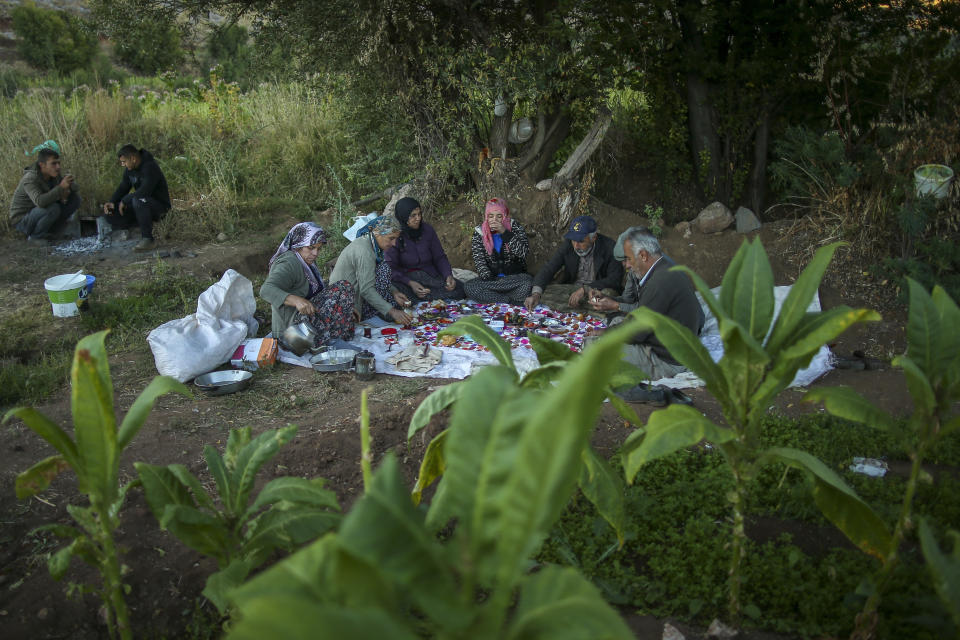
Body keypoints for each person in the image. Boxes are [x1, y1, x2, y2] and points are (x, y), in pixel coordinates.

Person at [589, 227, 704, 403]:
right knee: (618, 321)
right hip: (674, 343)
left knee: (595, 347)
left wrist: (604, 334)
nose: (626, 266)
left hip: (668, 359)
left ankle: (646, 393)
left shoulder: (659, 282)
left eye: (628, 259)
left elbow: (637, 331)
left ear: (643, 255)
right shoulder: (664, 266)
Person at [260, 222, 358, 347]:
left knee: (343, 289)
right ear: (298, 245)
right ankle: (321, 340)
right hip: (292, 331)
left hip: (306, 317)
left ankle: (329, 336)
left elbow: (318, 290)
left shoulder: (305, 261)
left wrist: (345, 306)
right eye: (311, 248)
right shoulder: (288, 263)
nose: (316, 253)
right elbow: (266, 290)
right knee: (342, 287)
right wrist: (296, 300)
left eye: (318, 248)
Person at [524, 214, 623, 311]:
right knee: (543, 294)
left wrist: (586, 289)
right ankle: (587, 311)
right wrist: (536, 294)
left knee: (606, 297)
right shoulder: (568, 244)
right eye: (573, 240)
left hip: (596, 290)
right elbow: (550, 268)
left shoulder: (610, 248)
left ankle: (575, 309)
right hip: (573, 289)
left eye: (581, 241)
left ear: (593, 238)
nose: (576, 246)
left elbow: (615, 279)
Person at [330, 215, 414, 325]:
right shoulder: (364, 251)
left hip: (356, 293)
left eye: (396, 239)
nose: (394, 244)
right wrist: (392, 312)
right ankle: (369, 315)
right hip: (345, 303)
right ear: (378, 234)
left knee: (385, 271)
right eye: (391, 238)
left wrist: (394, 291)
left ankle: (381, 311)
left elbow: (374, 276)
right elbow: (366, 290)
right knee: (385, 270)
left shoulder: (372, 245)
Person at [385, 197, 465, 302]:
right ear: (403, 217)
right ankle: (425, 298)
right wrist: (409, 282)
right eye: (413, 215)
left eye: (419, 214)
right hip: (407, 280)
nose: (418, 218)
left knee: (461, 289)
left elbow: (439, 256)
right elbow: (390, 268)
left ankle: (427, 298)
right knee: (396, 295)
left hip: (430, 277)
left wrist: (448, 275)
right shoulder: (395, 235)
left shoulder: (427, 230)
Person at [100, 145, 171, 252]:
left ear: (133, 158)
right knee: (110, 212)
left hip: (159, 207)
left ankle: (148, 239)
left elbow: (145, 191)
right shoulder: (130, 169)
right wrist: (112, 202)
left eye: (124, 162)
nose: (122, 164)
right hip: (141, 206)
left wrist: (125, 200)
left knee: (138, 200)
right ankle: (138, 226)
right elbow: (123, 187)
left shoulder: (150, 167)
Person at [9, 141, 81, 246]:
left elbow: (74, 189)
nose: (57, 167)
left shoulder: (53, 174)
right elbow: (40, 202)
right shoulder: (30, 178)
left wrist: (70, 183)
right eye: (53, 163)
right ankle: (35, 237)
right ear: (42, 165)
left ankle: (50, 233)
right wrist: (61, 187)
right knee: (53, 207)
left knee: (75, 199)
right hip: (23, 220)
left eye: (58, 163)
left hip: (39, 214)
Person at [463, 197, 533, 304]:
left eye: (499, 216)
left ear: (504, 216)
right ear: (486, 217)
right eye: (491, 216)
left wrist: (504, 232)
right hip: (492, 280)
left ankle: (494, 298)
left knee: (528, 282)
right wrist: (492, 281)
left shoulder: (515, 227)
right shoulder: (479, 232)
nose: (494, 220)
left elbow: (523, 252)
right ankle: (507, 300)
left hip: (514, 279)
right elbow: (479, 261)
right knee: (469, 286)